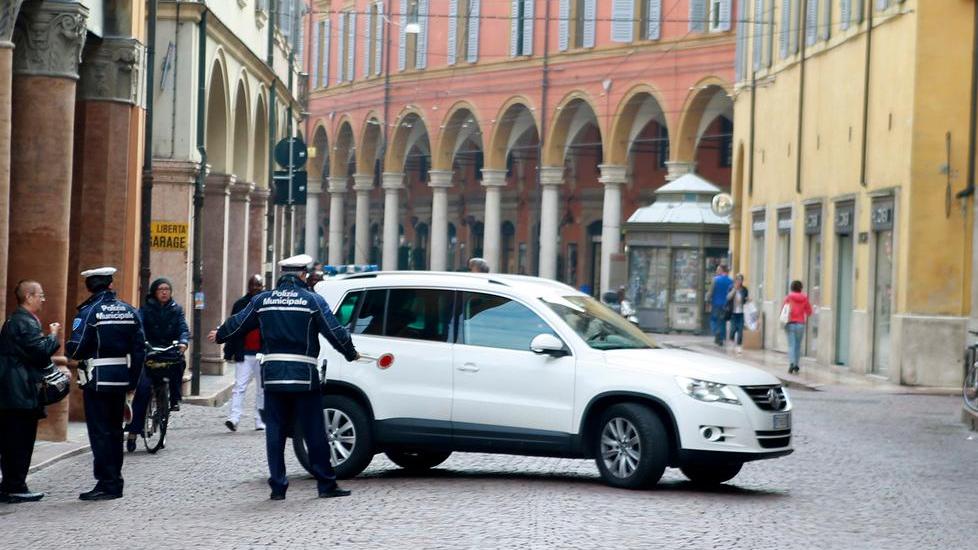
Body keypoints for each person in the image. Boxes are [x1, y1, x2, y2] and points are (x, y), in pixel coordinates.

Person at [208, 254, 360, 500]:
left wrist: (221, 334)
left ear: (282, 274)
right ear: (303, 274)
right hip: (304, 377)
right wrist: (351, 353)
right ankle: (325, 484)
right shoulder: (312, 300)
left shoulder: (263, 300)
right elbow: (335, 331)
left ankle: (278, 487)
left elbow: (239, 323)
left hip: (274, 376)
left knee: (275, 432)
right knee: (314, 432)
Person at [66, 267, 145, 501]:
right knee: (114, 431)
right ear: (110, 284)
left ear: (90, 286)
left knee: (100, 432)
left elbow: (77, 348)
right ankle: (115, 481)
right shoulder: (130, 311)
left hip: (97, 378)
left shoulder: (89, 312)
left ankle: (105, 482)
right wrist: (133, 379)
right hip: (121, 376)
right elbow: (140, 350)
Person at [0, 281, 60, 503]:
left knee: (13, 441)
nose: (43, 299)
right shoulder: (24, 322)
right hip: (18, 392)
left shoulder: (18, 320)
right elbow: (40, 352)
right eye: (40, 295)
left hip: (14, 390)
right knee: (20, 441)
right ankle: (15, 486)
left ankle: (11, 485)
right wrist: (53, 335)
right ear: (28, 297)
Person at [125, 277, 189, 452]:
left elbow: (183, 328)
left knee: (179, 363)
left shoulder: (176, 310)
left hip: (169, 351)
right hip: (150, 353)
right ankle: (132, 433)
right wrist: (143, 342)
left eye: (167, 289)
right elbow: (140, 329)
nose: (164, 292)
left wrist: (183, 341)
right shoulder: (145, 310)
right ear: (154, 291)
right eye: (161, 289)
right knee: (143, 389)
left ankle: (175, 398)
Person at [224, 274, 265, 432]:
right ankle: (233, 418)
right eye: (253, 285)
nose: (256, 288)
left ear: (262, 287)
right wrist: (229, 352)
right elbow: (232, 327)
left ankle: (260, 420)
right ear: (248, 286)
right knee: (239, 386)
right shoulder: (240, 304)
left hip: (262, 352)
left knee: (262, 389)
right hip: (244, 352)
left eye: (258, 285)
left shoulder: (267, 304)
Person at [783, 280, 814, 374]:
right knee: (798, 345)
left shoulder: (788, 298)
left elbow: (784, 310)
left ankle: (791, 363)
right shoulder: (804, 298)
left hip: (790, 323)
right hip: (800, 324)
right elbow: (809, 312)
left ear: (791, 288)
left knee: (791, 345)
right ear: (800, 288)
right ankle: (796, 365)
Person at [707, 265, 733, 347]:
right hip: (726, 305)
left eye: (718, 270)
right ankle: (721, 338)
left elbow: (710, 292)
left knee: (714, 320)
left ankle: (717, 333)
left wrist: (708, 299)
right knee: (722, 321)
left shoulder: (715, 280)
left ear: (722, 270)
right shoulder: (730, 281)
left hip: (716, 303)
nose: (716, 271)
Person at [726, 274, 749, 355]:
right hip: (733, 312)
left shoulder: (744, 289)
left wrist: (747, 299)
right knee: (732, 329)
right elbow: (728, 298)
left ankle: (739, 346)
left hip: (741, 313)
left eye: (740, 280)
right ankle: (732, 342)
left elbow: (746, 299)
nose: (739, 281)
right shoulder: (731, 287)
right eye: (737, 279)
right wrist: (734, 290)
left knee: (740, 330)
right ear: (735, 280)